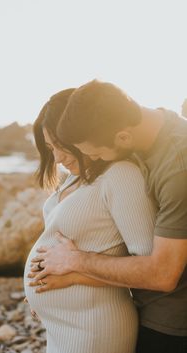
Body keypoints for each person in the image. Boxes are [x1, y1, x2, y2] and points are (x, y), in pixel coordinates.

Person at [31, 80, 187, 353]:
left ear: (122, 138)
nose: (94, 158)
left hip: (168, 322)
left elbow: (161, 273)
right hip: (127, 314)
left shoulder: (174, 168)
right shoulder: (137, 135)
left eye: (95, 152)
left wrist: (74, 266)